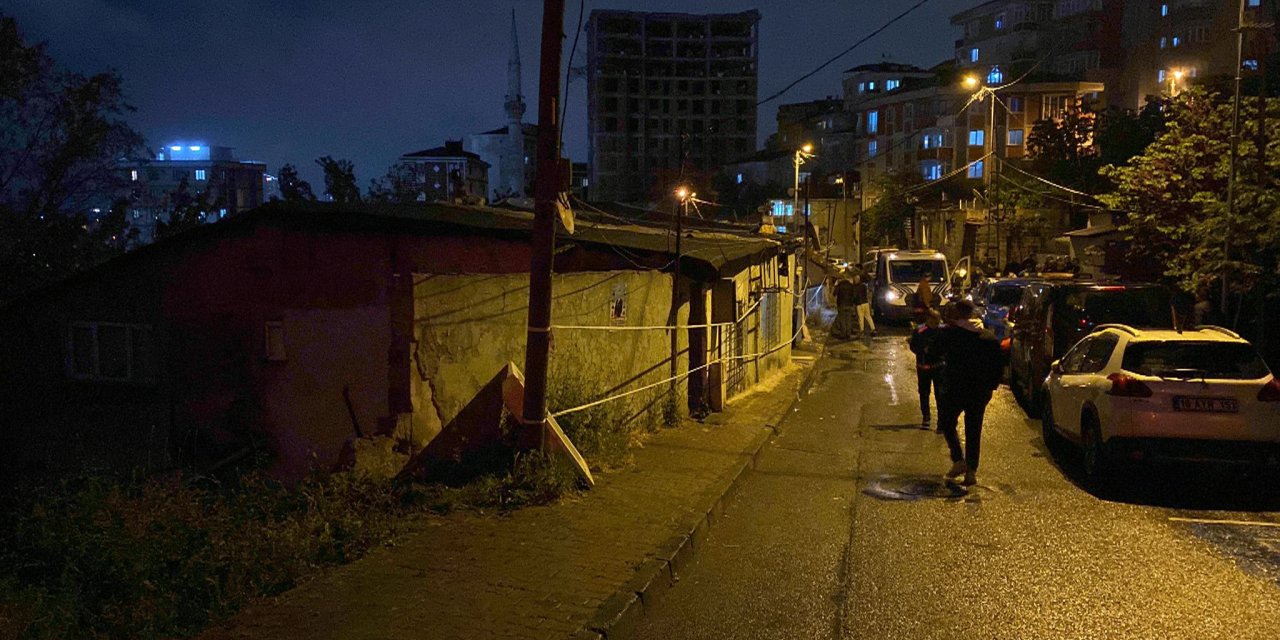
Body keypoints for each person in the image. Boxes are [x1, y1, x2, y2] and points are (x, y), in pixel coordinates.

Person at [933, 299, 1005, 486]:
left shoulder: (950, 334)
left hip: (956, 387)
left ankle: (959, 460)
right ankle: (971, 471)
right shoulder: (987, 337)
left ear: (957, 313)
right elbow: (998, 364)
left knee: (947, 422)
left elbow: (933, 350)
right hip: (979, 390)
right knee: (974, 429)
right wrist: (991, 386)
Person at [908, 309, 945, 429]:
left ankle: (941, 421)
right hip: (923, 367)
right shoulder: (920, 331)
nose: (937, 323)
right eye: (935, 320)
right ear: (929, 319)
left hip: (938, 366)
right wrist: (922, 350)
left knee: (940, 394)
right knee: (924, 393)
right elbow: (913, 346)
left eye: (938, 320)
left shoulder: (942, 330)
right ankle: (926, 417)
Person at [831, 270, 859, 339]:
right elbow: (855, 295)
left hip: (841, 304)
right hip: (849, 304)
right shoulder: (851, 286)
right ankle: (848, 334)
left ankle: (843, 334)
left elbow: (834, 294)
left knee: (842, 319)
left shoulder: (840, 285)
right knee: (849, 319)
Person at [855, 273, 876, 337]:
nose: (855, 280)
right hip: (866, 303)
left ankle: (862, 331)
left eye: (855, 279)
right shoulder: (864, 286)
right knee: (868, 316)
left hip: (859, 304)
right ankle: (873, 329)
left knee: (861, 318)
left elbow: (856, 296)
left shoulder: (856, 287)